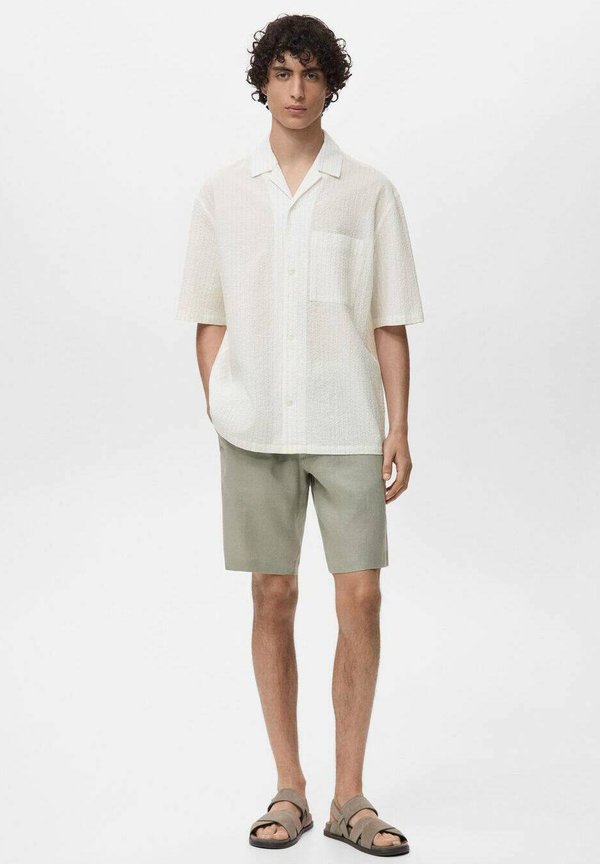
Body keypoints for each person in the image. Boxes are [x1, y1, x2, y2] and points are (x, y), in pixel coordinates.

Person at [176, 13, 423, 856]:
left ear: (330, 86)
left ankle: (352, 797)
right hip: (254, 427)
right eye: (282, 73)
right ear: (263, 83)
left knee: (362, 598)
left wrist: (399, 424)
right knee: (272, 595)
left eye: (312, 74)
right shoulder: (223, 192)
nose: (297, 89)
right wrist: (220, 400)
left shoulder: (368, 191)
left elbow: (389, 319)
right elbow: (207, 313)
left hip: (348, 420)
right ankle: (291, 788)